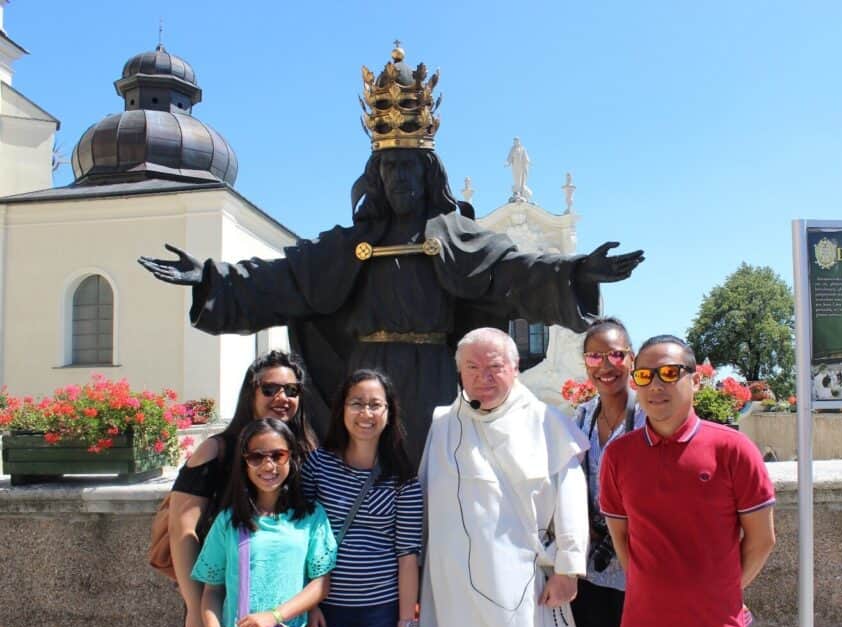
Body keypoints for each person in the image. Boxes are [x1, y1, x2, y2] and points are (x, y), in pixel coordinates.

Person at [137, 45, 644, 462]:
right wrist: (210, 279)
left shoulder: (454, 235)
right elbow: (281, 280)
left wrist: (576, 271)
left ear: (428, 175)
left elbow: (516, 271)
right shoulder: (349, 245)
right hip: (365, 374)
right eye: (391, 170)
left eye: (410, 169)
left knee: (437, 475)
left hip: (435, 377)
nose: (400, 179)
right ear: (376, 177)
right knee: (367, 475)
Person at [417, 327, 592, 627]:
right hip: (452, 584)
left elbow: (571, 500)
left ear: (514, 368)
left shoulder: (547, 422)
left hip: (520, 580)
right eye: (472, 368)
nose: (483, 377)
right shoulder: (443, 425)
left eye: (494, 366)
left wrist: (568, 570)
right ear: (460, 372)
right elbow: (424, 498)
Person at [600, 335, 776, 627]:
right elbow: (621, 537)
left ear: (695, 380)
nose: (656, 385)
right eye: (644, 376)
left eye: (668, 372)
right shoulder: (619, 456)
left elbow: (762, 539)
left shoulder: (733, 449)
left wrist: (720, 593)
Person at [167, 350, 317, 627]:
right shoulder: (216, 450)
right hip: (218, 607)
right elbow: (182, 528)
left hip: (283, 622)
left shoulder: (305, 451)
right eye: (270, 389)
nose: (282, 397)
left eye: (292, 390)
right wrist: (195, 607)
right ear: (251, 392)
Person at [191, 418, 337, 627]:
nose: (268, 465)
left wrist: (274, 616)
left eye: (277, 455)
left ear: (291, 458)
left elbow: (320, 584)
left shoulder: (311, 517)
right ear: (244, 464)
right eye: (257, 457)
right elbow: (212, 588)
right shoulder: (229, 520)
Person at [301, 369, 423, 627]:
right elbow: (300, 539)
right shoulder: (317, 466)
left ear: (388, 412)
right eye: (356, 403)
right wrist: (309, 606)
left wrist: (407, 626)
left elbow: (408, 555)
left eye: (375, 405)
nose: (365, 413)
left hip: (381, 613)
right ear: (341, 408)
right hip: (327, 611)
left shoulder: (403, 478)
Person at [569, 318, 644, 627]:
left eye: (615, 354)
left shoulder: (649, 417)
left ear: (630, 358)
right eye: (595, 356)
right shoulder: (580, 418)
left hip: (639, 571)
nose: (606, 366)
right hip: (591, 572)